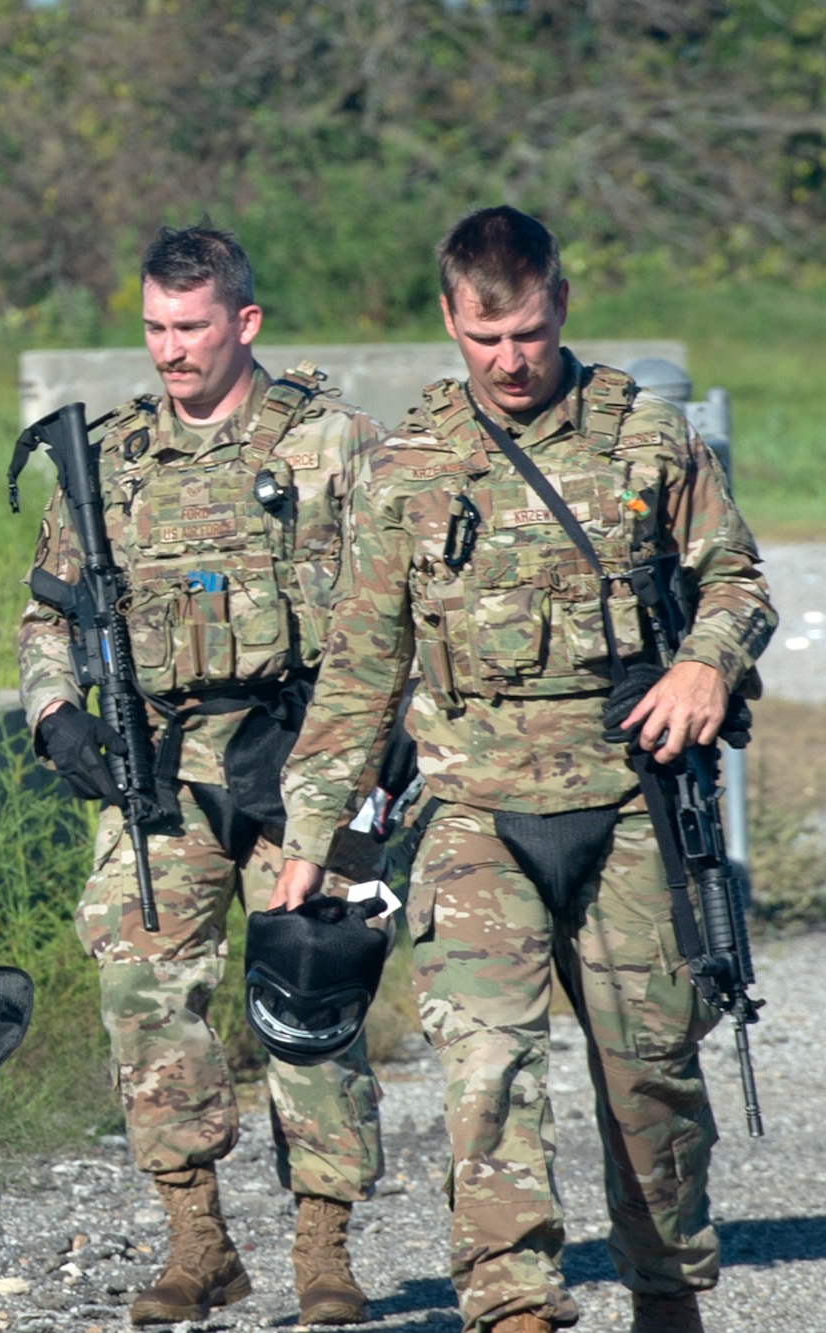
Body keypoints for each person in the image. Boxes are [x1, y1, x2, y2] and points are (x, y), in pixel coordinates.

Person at [271, 206, 776, 1333]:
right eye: (484, 339)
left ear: (560, 307)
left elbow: (737, 580)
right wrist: (311, 838)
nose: (509, 362)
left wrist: (702, 663)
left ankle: (664, 1290)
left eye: (530, 336)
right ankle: (512, 1307)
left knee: (647, 1073)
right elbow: (357, 671)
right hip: (470, 809)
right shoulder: (404, 468)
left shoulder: (643, 437)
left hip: (628, 797)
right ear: (448, 319)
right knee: (485, 1070)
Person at [16, 225, 388, 1327]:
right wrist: (55, 718)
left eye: (189, 328)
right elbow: (48, 611)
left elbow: (395, 606)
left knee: (308, 989)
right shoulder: (112, 460)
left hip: (305, 753)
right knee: (144, 997)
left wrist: (372, 763)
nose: (169, 352)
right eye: (152, 329)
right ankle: (197, 1242)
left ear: (243, 322)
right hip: (159, 765)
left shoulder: (330, 444)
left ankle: (322, 1250)